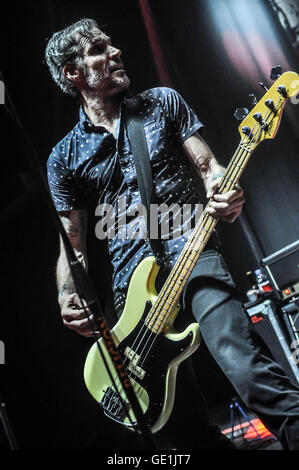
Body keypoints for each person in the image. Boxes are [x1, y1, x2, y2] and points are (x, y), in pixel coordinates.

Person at [45, 18, 299, 450]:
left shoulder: (162, 103)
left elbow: (209, 169)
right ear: (74, 72)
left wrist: (226, 189)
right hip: (133, 292)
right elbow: (73, 244)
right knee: (174, 426)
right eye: (99, 49)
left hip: (193, 249)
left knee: (246, 367)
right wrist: (67, 295)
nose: (116, 52)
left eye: (113, 43)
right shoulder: (63, 157)